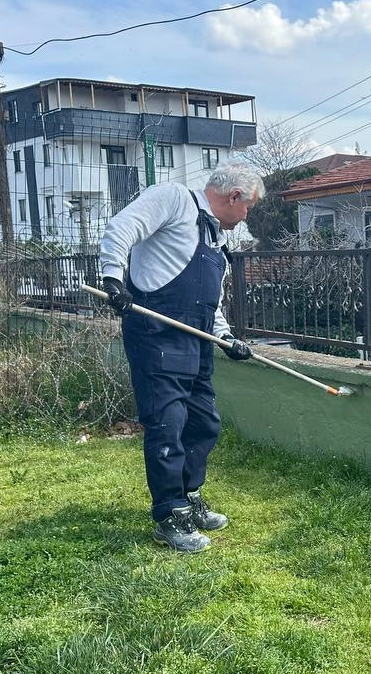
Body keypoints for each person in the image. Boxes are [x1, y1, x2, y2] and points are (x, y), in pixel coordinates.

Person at [98, 163, 265, 552]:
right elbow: (122, 228)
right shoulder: (173, 199)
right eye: (248, 208)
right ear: (234, 196)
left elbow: (210, 302)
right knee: (167, 426)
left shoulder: (214, 240)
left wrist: (225, 338)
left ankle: (189, 498)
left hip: (196, 342)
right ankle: (169, 514)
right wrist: (113, 278)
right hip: (156, 335)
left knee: (204, 423)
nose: (246, 217)